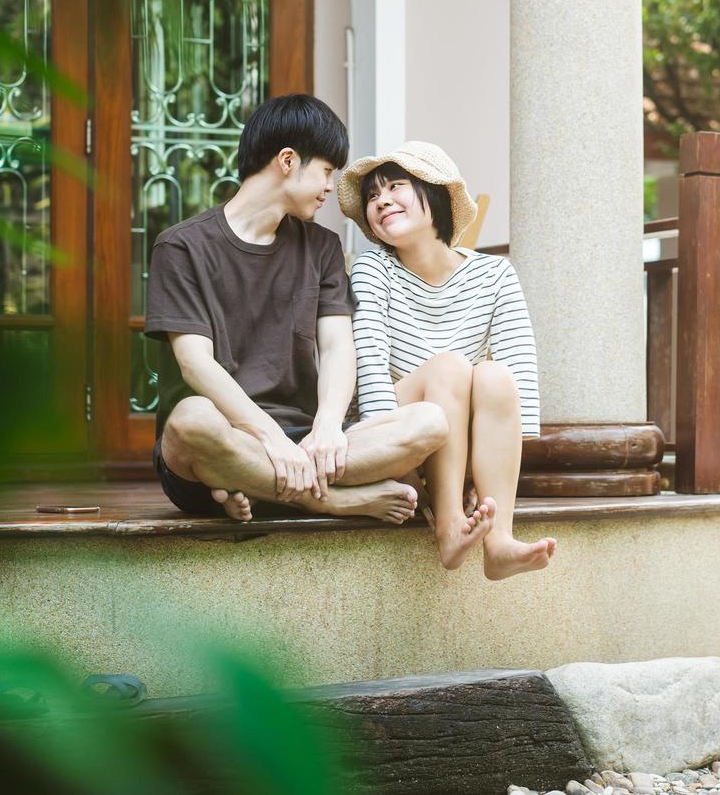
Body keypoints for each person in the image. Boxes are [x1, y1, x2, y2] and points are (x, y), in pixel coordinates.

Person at [146, 95, 449, 523]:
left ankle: (249, 487)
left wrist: (326, 426)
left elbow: (339, 348)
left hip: (307, 444)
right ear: (288, 160)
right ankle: (328, 501)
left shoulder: (322, 247)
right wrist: (269, 438)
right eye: (326, 171)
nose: (330, 187)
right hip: (225, 436)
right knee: (191, 421)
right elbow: (196, 365)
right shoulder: (181, 247)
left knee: (430, 422)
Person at [338, 141, 557, 580]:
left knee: (494, 375)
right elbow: (371, 372)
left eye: (396, 186)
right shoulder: (371, 270)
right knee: (451, 366)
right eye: (372, 197)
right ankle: (450, 526)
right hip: (390, 434)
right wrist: (400, 465)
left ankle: (499, 544)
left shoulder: (494, 274)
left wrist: (480, 477)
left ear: (436, 195)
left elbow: (521, 380)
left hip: (458, 447)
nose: (381, 200)